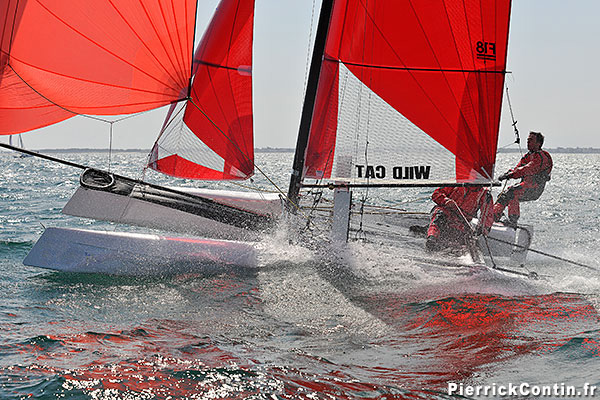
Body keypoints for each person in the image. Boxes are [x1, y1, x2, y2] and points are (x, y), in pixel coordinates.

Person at [493, 131, 553, 227]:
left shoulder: (541, 157)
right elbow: (517, 169)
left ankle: (513, 221)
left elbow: (526, 169)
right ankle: (493, 216)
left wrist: (510, 175)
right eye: (527, 140)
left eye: (531, 140)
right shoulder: (527, 156)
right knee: (504, 196)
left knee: (512, 192)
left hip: (535, 188)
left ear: (538, 143)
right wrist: (506, 174)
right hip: (526, 186)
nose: (528, 142)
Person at [426, 186, 494, 252]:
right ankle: (432, 238)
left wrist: (481, 229)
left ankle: (460, 250)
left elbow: (488, 215)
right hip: (445, 213)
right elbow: (436, 194)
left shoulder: (485, 194)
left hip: (462, 221)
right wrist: (445, 201)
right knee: (439, 216)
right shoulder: (455, 184)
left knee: (464, 238)